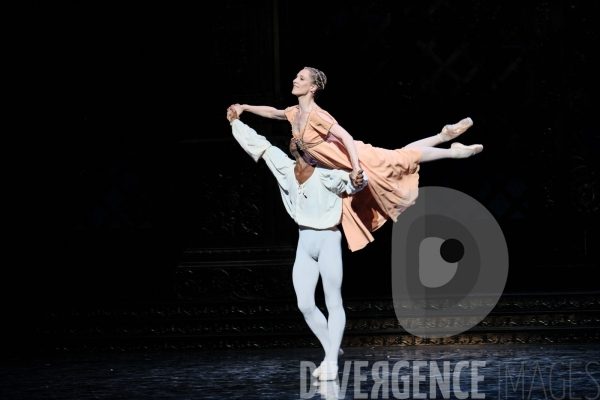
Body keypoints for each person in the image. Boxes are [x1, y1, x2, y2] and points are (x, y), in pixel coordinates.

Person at [230, 67, 483, 251]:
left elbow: (347, 138)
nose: (295, 80)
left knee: (400, 159)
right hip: (341, 165)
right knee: (400, 156)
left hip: (355, 157)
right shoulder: (295, 112)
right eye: (296, 76)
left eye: (301, 78)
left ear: (313, 87)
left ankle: (453, 149)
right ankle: (444, 137)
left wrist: (356, 167)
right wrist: (245, 107)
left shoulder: (318, 115)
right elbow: (274, 113)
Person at [226, 107, 367, 381]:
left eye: (299, 139)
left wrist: (358, 178)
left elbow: (354, 182)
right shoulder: (285, 168)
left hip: (328, 239)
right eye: (293, 138)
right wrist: (236, 124)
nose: (294, 139)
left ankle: (330, 361)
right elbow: (261, 146)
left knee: (332, 301)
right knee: (304, 304)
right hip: (305, 242)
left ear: (312, 150)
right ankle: (331, 348)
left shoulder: (326, 173)